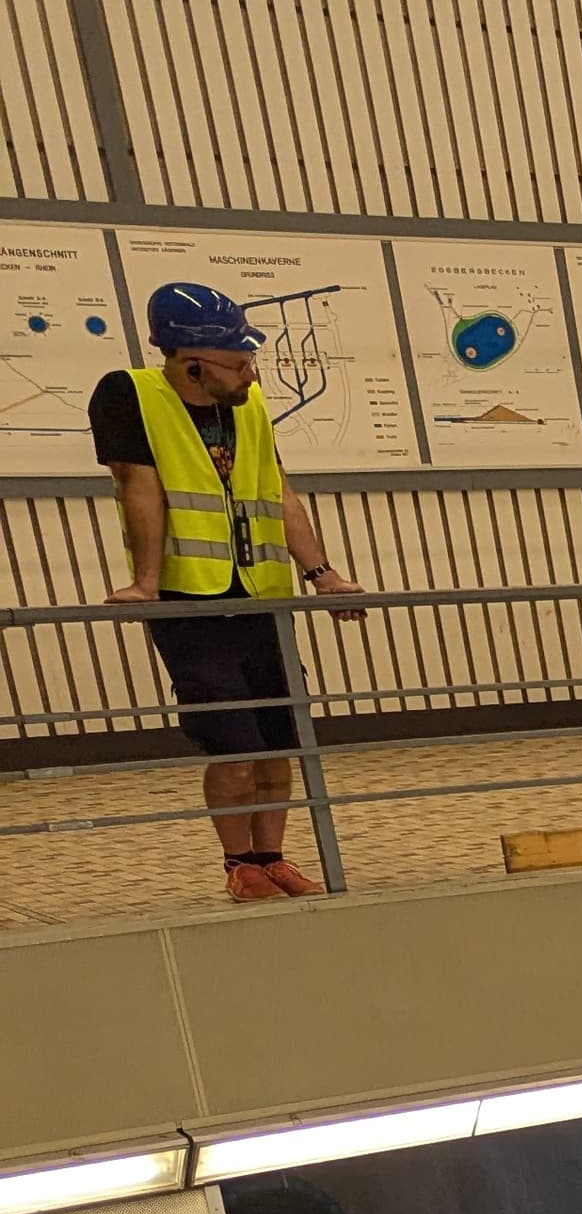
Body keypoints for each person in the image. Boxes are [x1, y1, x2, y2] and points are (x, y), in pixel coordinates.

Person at [89, 280, 365, 900]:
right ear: (192, 363)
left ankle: (274, 857)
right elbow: (140, 489)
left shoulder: (251, 402)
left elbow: (277, 489)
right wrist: (146, 584)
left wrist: (322, 575)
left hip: (261, 594)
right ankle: (239, 864)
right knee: (232, 744)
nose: (249, 373)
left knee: (278, 741)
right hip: (192, 601)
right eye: (237, 363)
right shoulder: (130, 395)